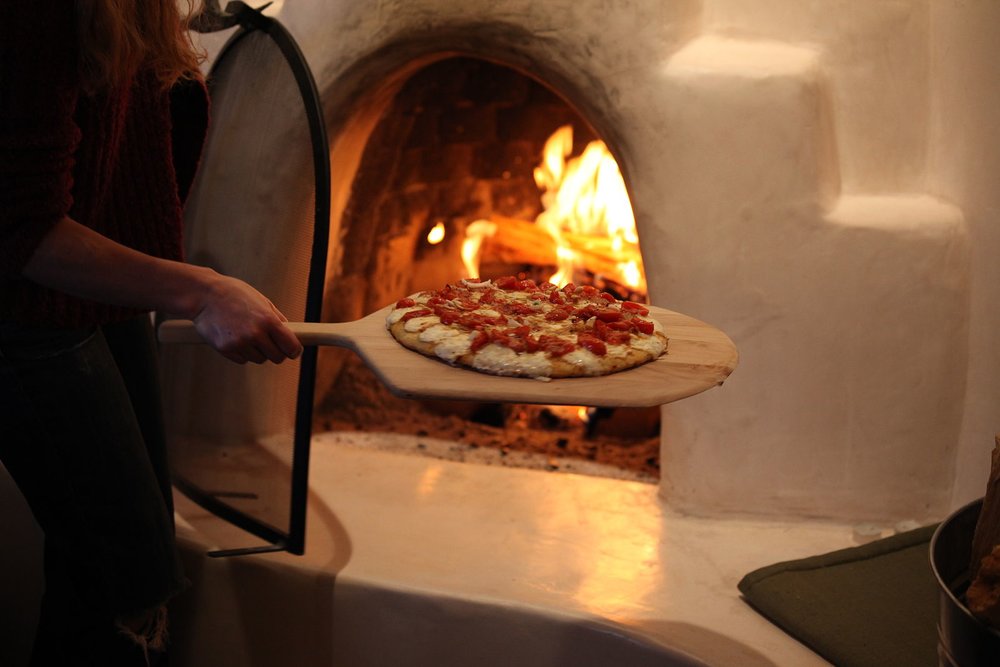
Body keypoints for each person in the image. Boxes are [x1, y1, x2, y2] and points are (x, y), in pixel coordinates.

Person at [0, 1, 302, 664]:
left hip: (88, 287)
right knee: (124, 575)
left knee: (123, 563)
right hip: (22, 302)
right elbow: (17, 225)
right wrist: (198, 290)